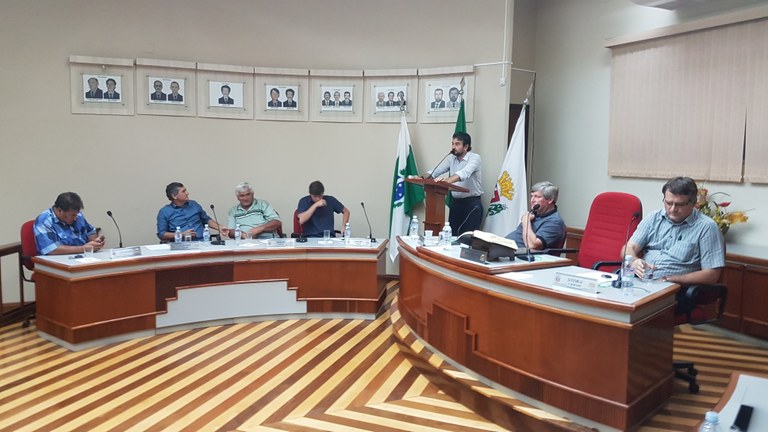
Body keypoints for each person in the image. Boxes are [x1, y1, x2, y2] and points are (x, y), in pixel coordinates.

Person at [622, 177, 724, 292]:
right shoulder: (653, 218)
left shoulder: (706, 227)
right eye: (669, 203)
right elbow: (628, 248)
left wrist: (672, 279)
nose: (673, 209)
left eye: (680, 204)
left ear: (693, 203)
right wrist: (634, 261)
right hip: (640, 283)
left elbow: (712, 274)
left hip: (675, 289)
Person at [428, 131, 483, 233]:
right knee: (452, 236)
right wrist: (422, 177)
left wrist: (447, 181)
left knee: (467, 237)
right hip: (456, 204)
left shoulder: (475, 158)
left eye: (457, 144)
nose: (453, 147)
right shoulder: (451, 158)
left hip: (471, 204)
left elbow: (464, 173)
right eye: (452, 143)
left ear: (466, 147)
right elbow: (436, 171)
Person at [34, 192, 105, 255]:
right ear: (59, 210)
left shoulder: (78, 215)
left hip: (82, 257)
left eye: (77, 214)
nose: (76, 218)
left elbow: (90, 232)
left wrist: (95, 242)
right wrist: (84, 248)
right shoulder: (44, 221)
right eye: (72, 215)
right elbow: (51, 249)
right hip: (56, 261)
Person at [505, 181, 566, 251]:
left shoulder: (555, 222)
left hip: (521, 255)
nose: (532, 200)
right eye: (532, 196)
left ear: (550, 200)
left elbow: (532, 246)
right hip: (507, 250)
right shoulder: (534, 214)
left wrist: (526, 221)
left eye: (537, 197)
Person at [156, 182, 226, 241]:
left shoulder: (194, 204)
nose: (187, 193)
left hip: (203, 242)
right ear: (174, 196)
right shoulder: (164, 212)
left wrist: (220, 228)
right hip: (180, 245)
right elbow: (162, 234)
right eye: (183, 191)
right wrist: (182, 234)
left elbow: (207, 220)